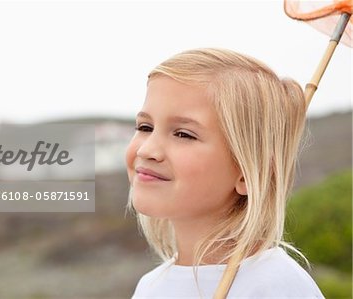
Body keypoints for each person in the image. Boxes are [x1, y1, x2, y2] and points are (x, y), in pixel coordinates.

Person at [125, 48, 325, 298]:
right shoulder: (150, 287)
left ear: (245, 173)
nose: (147, 149)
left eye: (184, 134)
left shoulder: (276, 285)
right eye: (145, 126)